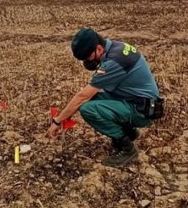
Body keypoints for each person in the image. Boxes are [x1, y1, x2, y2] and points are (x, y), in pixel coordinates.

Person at [47, 27, 164, 167]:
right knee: (93, 99)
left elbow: (82, 97)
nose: (87, 62)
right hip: (137, 101)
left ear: (99, 49)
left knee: (88, 109)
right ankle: (130, 133)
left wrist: (58, 120)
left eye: (88, 57)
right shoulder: (116, 47)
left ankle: (128, 150)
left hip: (142, 111)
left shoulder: (114, 62)